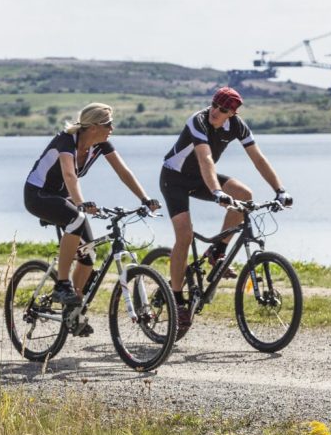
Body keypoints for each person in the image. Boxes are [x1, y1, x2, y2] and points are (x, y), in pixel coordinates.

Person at [160, 87, 292, 336]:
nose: (215, 112)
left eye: (223, 110)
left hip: (201, 179)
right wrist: (217, 192)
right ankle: (177, 302)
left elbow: (258, 159)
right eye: (214, 105)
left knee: (245, 195)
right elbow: (205, 159)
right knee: (185, 235)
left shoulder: (238, 126)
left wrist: (280, 189)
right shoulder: (198, 120)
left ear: (232, 113)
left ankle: (217, 249)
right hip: (174, 179)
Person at [24, 102, 160, 328]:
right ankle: (62, 284)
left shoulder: (102, 144)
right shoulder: (66, 140)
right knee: (76, 219)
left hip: (63, 198)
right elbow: (69, 174)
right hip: (38, 195)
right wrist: (80, 203)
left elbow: (124, 172)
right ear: (94, 126)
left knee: (88, 256)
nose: (112, 128)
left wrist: (145, 199)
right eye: (108, 124)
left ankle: (73, 311)